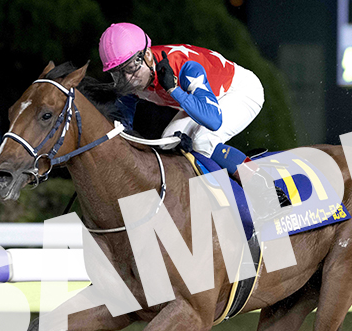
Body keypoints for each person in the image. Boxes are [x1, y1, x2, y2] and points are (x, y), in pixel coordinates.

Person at [98, 22, 285, 217]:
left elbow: (213, 120)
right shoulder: (135, 74)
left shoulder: (184, 67)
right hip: (204, 100)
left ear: (147, 56)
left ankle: (266, 191)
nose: (128, 79)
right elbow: (123, 123)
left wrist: (173, 89)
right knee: (168, 142)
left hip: (240, 91)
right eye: (118, 73)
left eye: (130, 68)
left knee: (203, 141)